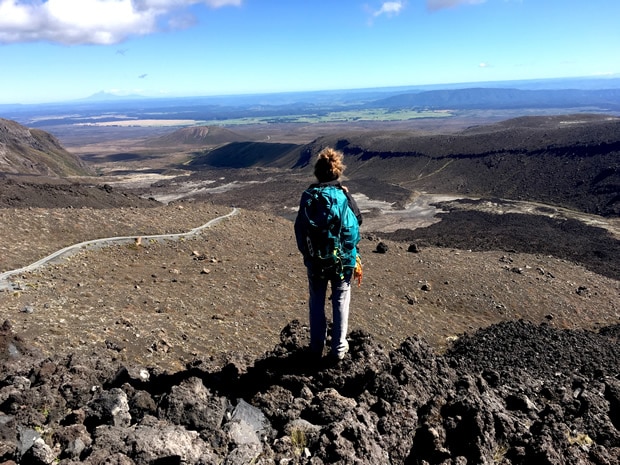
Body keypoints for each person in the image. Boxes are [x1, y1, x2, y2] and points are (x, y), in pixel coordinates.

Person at [294, 147, 362, 361]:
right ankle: (339, 349)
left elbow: (299, 228)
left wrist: (308, 255)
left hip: (316, 262)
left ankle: (316, 348)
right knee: (340, 300)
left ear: (318, 173)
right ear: (337, 172)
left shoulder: (309, 197)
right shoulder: (343, 195)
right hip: (343, 261)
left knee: (316, 301)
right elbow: (357, 222)